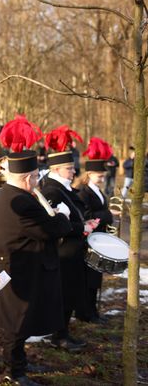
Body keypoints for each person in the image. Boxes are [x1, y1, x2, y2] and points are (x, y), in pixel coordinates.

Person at [0, 116, 72, 385]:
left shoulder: (16, 196)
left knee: (19, 323)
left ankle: (19, 364)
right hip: (20, 271)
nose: (39, 180)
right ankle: (13, 372)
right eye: (36, 176)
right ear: (27, 177)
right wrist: (63, 215)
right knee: (16, 324)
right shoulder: (20, 202)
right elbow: (50, 229)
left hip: (21, 267)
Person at [41, 126, 99, 351]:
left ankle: (63, 331)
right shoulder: (52, 190)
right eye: (69, 168)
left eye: (73, 167)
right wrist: (81, 227)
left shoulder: (62, 187)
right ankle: (59, 335)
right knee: (63, 295)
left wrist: (84, 225)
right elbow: (56, 225)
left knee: (70, 292)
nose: (74, 172)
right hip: (63, 252)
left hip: (73, 250)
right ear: (56, 168)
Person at [76, 138, 114, 324]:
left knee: (96, 277)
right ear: (89, 174)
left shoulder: (98, 190)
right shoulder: (84, 192)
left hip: (99, 240)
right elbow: (87, 214)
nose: (102, 178)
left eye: (103, 175)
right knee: (88, 279)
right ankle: (86, 312)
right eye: (99, 176)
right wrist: (107, 214)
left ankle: (93, 311)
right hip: (89, 241)